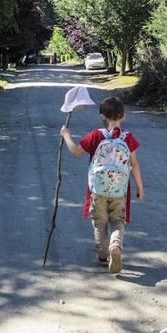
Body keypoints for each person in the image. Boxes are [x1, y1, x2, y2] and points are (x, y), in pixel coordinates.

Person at [60, 96, 145, 273]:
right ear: (123, 116)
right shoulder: (128, 138)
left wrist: (66, 135)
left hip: (97, 190)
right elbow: (134, 164)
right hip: (119, 190)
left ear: (102, 116)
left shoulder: (96, 135)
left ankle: (104, 255)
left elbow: (76, 152)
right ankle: (116, 244)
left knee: (99, 223)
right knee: (117, 221)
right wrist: (140, 187)